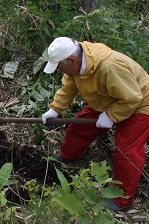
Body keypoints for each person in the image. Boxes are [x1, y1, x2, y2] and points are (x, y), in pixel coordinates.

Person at [41, 37, 149, 211]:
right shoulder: (76, 67)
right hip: (110, 98)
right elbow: (68, 88)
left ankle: (121, 199)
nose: (60, 71)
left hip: (139, 103)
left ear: (71, 60)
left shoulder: (109, 67)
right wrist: (55, 109)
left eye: (60, 67)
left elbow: (132, 98)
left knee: (126, 149)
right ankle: (67, 156)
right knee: (79, 126)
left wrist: (111, 116)